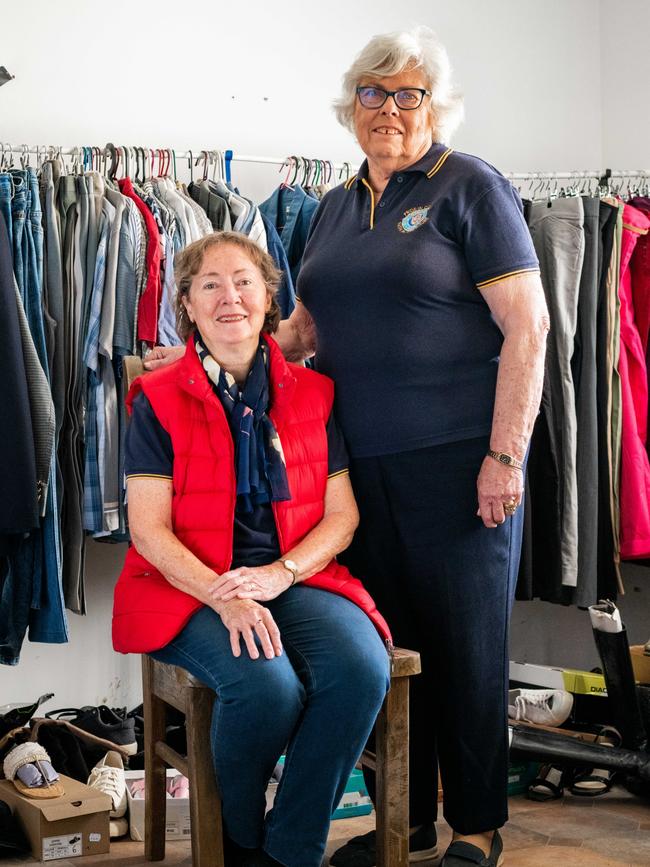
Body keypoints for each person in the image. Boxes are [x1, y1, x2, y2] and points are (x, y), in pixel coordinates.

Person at [145, 25, 550, 866]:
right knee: (397, 646)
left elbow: (530, 327)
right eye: (374, 94)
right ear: (351, 107)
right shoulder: (332, 206)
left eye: (409, 95)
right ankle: (410, 819)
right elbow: (299, 332)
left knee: (467, 651)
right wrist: (193, 360)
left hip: (457, 462)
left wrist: (504, 454)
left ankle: (477, 829)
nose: (390, 110)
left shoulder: (472, 188)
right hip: (355, 470)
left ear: (435, 106)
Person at [112, 232, 391, 867]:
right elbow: (148, 530)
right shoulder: (155, 400)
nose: (228, 297)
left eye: (243, 282)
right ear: (185, 303)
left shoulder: (316, 395)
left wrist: (279, 575)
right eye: (209, 284)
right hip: (186, 586)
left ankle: (290, 850)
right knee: (268, 691)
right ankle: (241, 840)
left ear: (269, 298)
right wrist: (224, 594)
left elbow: (342, 516)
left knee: (362, 670)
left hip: (288, 578)